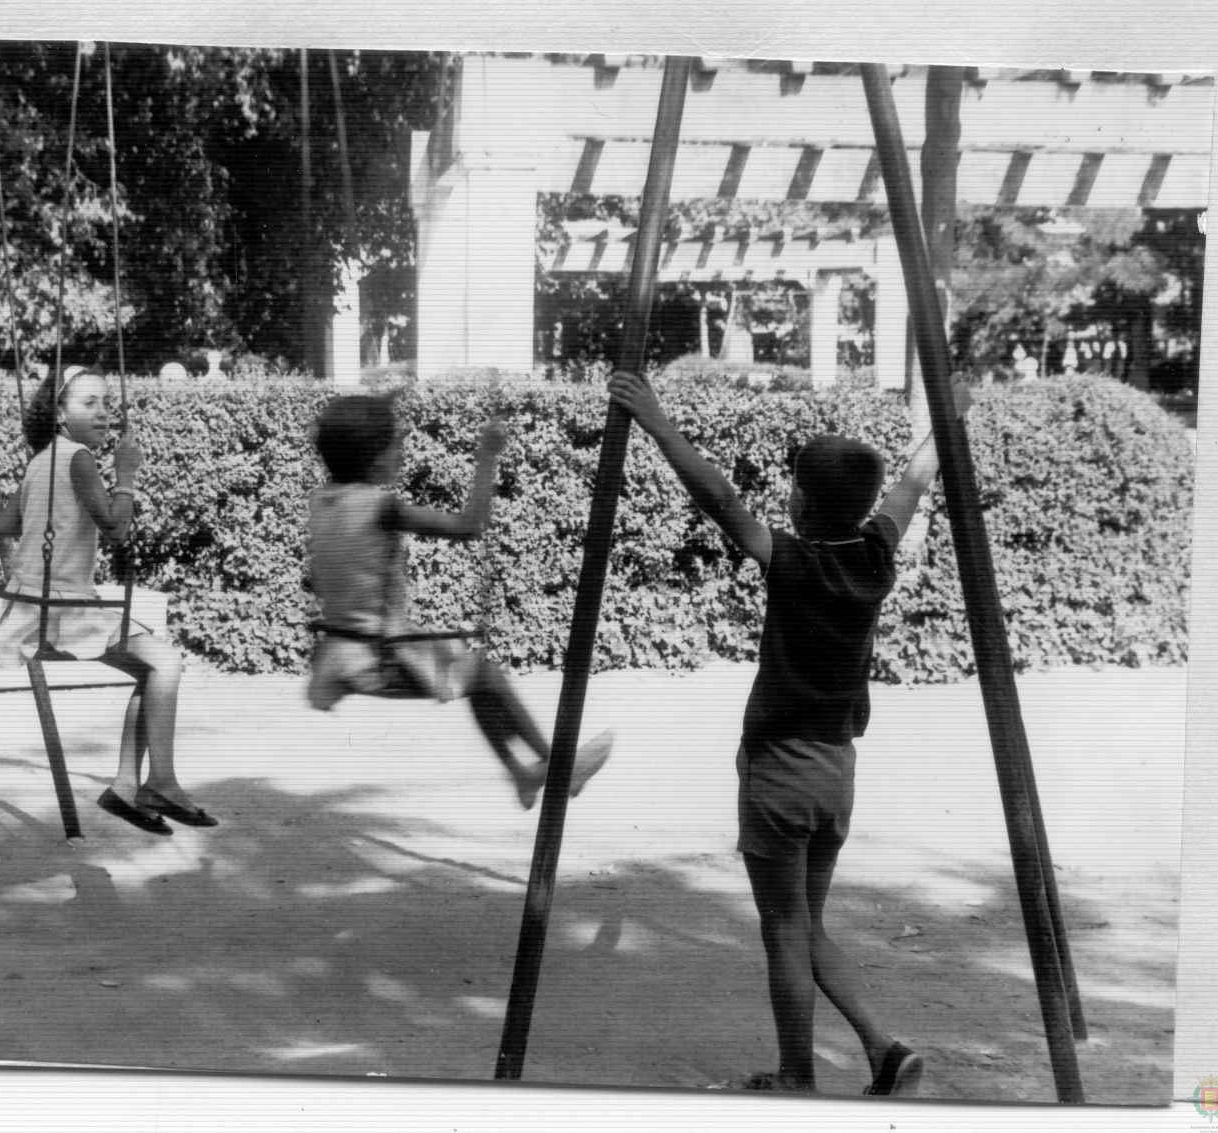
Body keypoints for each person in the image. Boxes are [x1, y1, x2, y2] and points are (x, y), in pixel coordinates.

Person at [607, 367, 973, 1097]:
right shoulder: (875, 556)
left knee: (783, 930)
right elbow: (913, 481)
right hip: (836, 770)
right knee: (807, 926)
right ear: (865, 506)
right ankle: (883, 1047)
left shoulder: (791, 560)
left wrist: (655, 420)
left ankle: (796, 1072)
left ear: (800, 501)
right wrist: (949, 418)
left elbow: (717, 497)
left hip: (778, 772)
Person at [305, 392, 611, 809]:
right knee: (485, 675)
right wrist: (487, 456)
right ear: (375, 458)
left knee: (477, 680)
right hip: (377, 657)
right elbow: (470, 526)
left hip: (337, 655)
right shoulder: (382, 507)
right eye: (397, 444)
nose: (402, 452)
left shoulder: (322, 502)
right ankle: (559, 768)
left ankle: (522, 773)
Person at [0, 364, 215, 836]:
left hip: (28, 605)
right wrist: (127, 475)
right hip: (61, 610)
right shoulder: (77, 459)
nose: (103, 414)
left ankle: (124, 785)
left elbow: (6, 525)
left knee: (152, 670)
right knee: (167, 664)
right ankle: (160, 780)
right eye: (88, 404)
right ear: (59, 412)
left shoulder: (40, 461)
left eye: (106, 404)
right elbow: (116, 527)